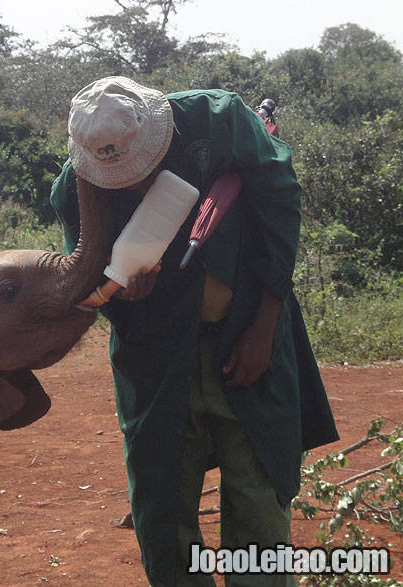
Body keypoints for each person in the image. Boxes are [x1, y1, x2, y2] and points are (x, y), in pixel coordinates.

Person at [50, 76, 338, 586]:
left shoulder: (216, 121)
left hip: (245, 338)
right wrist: (124, 296)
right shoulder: (77, 187)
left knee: (257, 501)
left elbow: (280, 199)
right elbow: (87, 279)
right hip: (156, 359)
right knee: (162, 510)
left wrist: (263, 328)